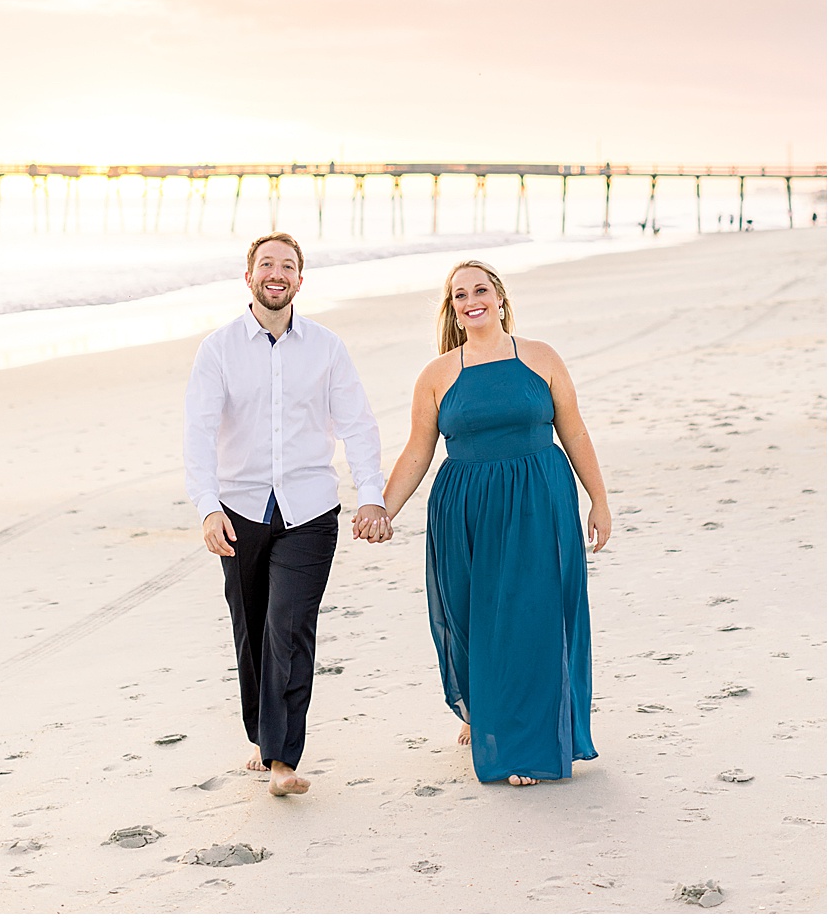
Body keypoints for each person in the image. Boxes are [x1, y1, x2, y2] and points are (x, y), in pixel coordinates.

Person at [364, 260, 610, 786]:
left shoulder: (541, 358)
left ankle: (522, 746)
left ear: (499, 296)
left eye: (481, 289)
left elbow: (575, 432)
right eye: (459, 295)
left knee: (533, 615)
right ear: (452, 308)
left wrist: (599, 500)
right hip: (465, 508)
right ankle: (483, 712)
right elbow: (418, 450)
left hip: (539, 499)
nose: (471, 300)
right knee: (473, 615)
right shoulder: (436, 374)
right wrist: (383, 508)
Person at [183, 232, 387, 797]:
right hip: (239, 510)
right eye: (266, 264)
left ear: (301, 280)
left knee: (289, 628)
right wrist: (206, 509)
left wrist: (371, 493)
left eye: (288, 266)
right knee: (250, 630)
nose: (278, 273)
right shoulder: (218, 349)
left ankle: (282, 759)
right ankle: (262, 733)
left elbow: (357, 424)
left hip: (310, 510)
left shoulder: (327, 347)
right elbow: (198, 434)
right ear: (248, 277)